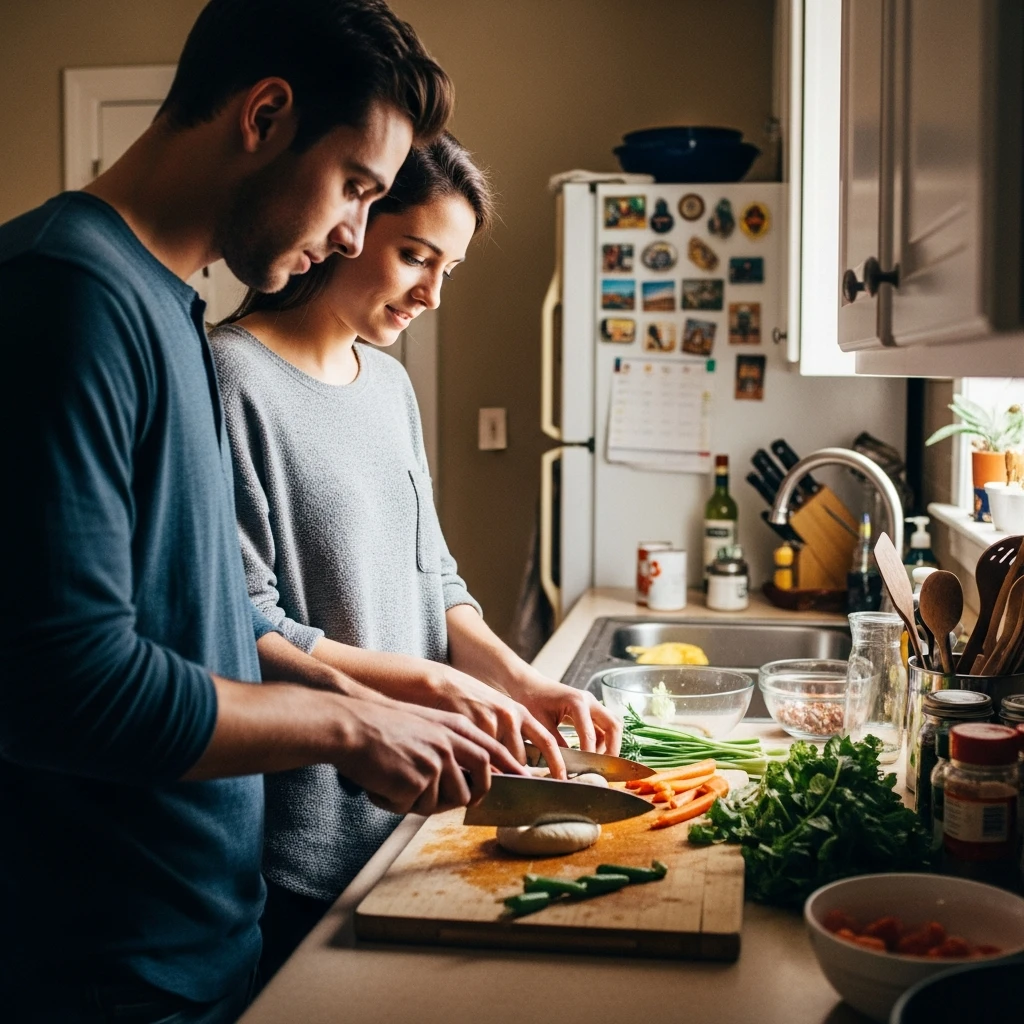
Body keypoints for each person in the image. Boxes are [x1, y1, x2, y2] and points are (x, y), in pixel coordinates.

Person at [0, 2, 529, 1021]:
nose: (351, 235)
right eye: (356, 189)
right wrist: (347, 724)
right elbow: (63, 687)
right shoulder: (64, 298)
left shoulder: (163, 305)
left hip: (202, 929)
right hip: (103, 962)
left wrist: (392, 697)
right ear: (265, 115)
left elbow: (207, 622)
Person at [210, 133, 622, 976]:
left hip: (416, 810)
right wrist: (441, 687)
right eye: (415, 257)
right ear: (351, 226)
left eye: (449, 270)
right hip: (299, 845)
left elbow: (434, 577)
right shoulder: (229, 379)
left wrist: (520, 679)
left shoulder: (389, 385)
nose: (432, 294)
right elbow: (252, 630)